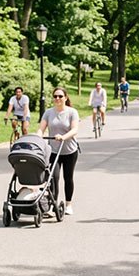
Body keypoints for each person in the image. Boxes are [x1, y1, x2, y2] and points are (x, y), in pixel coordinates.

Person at [37, 87, 79, 215]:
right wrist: (38, 137)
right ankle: (52, 205)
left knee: (68, 177)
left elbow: (74, 130)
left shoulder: (72, 112)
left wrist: (63, 137)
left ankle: (68, 204)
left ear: (65, 98)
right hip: (54, 151)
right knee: (53, 177)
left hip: (69, 151)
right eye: (55, 96)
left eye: (60, 96)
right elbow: (41, 129)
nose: (57, 98)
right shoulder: (48, 113)